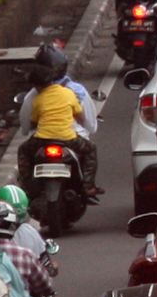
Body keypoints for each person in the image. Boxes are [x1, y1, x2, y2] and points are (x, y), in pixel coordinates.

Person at [15, 42, 97, 201]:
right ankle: (88, 186)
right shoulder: (74, 92)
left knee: (23, 151)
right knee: (91, 150)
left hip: (42, 140)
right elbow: (90, 125)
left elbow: (27, 126)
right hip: (70, 139)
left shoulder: (34, 97)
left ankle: (27, 189)